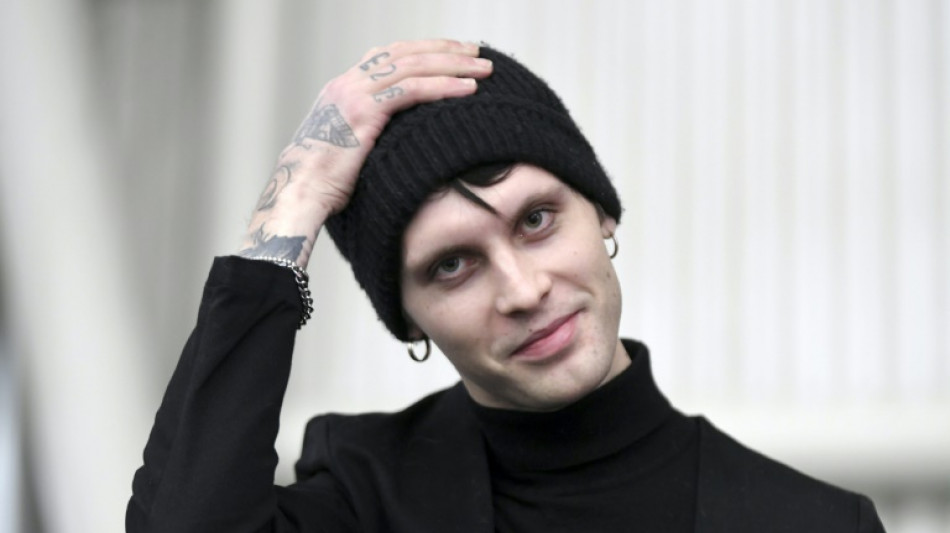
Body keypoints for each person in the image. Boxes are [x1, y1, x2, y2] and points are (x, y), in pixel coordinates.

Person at [127, 39, 885, 532]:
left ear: (603, 211)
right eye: (451, 265)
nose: (522, 290)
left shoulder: (812, 522)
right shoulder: (367, 497)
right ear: (409, 319)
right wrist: (294, 205)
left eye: (537, 220)